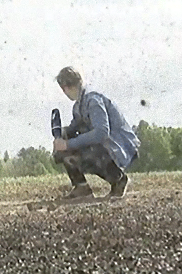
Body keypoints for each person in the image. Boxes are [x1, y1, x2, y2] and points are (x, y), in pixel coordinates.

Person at [53, 66, 140, 199]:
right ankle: (81, 187)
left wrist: (67, 145)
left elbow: (101, 133)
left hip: (119, 147)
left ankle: (119, 180)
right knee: (68, 142)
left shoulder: (93, 100)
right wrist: (62, 135)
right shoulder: (79, 105)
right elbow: (74, 127)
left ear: (66, 87)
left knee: (81, 148)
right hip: (108, 146)